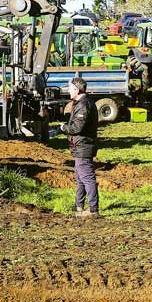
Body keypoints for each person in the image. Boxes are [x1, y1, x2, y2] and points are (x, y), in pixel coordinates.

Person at [60, 77, 100, 219]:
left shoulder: (84, 105)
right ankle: (79, 206)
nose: (68, 91)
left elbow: (77, 127)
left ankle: (93, 210)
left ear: (77, 90)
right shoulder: (82, 103)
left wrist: (64, 127)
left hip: (83, 146)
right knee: (80, 177)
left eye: (70, 88)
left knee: (87, 178)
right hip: (80, 146)